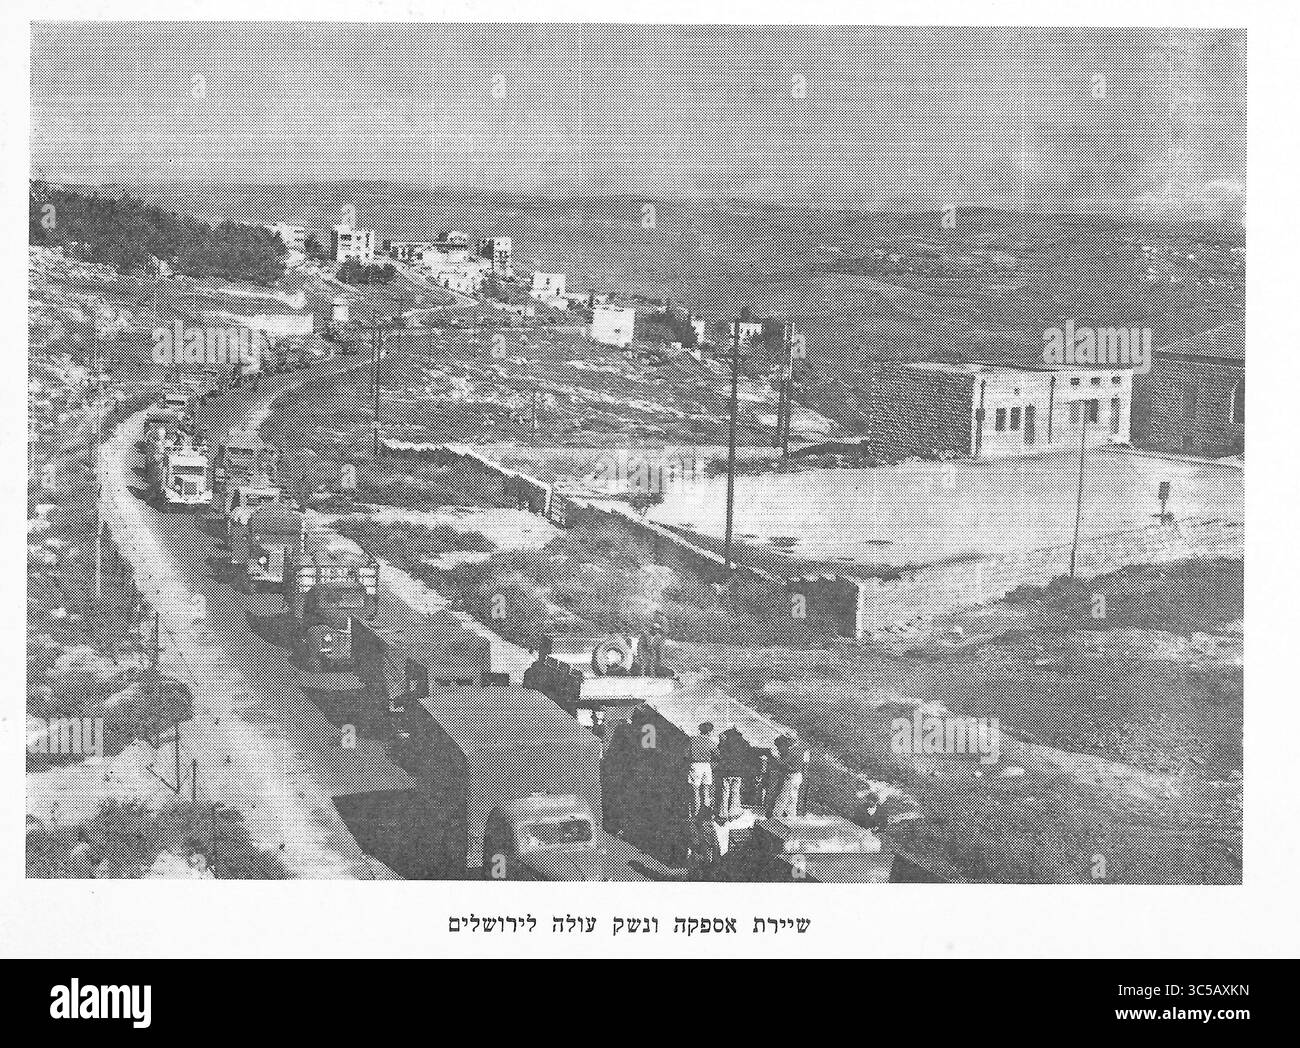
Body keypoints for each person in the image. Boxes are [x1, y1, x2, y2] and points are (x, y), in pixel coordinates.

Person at [716, 726, 751, 820]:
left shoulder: (725, 742)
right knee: (735, 792)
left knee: (725, 791)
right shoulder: (743, 742)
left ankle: (722, 813)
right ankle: (733, 811)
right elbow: (749, 751)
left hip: (726, 770)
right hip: (738, 771)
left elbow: (719, 751)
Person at [768, 735, 807, 820]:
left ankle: (776, 816)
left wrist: (774, 755)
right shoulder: (801, 749)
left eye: (788, 741)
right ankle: (791, 816)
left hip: (791, 776)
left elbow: (782, 763)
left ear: (790, 741)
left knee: (783, 797)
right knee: (793, 797)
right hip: (798, 775)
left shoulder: (791, 751)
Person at [686, 722, 719, 819]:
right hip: (707, 766)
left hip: (695, 765)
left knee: (695, 790)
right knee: (706, 790)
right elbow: (718, 755)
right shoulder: (710, 741)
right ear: (709, 732)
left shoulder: (692, 740)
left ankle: (694, 814)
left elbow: (685, 754)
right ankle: (706, 813)